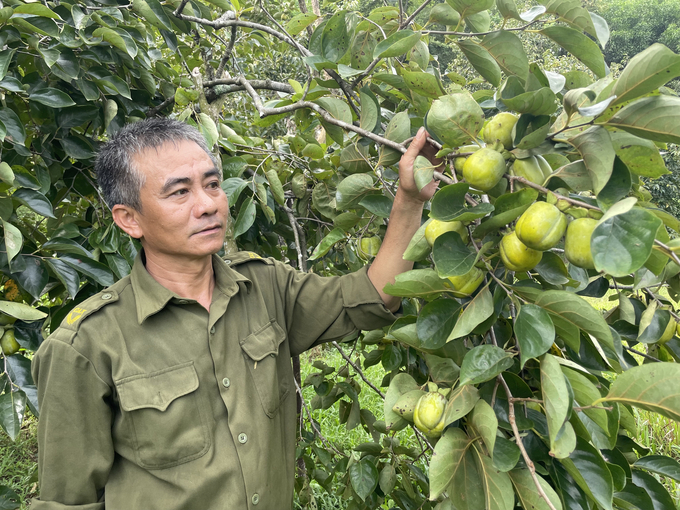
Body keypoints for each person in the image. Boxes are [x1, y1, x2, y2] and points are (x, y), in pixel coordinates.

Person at [31, 117, 440, 509]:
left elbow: (375, 295)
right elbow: (67, 500)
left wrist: (408, 199)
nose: (208, 204)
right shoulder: (86, 345)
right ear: (129, 219)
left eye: (212, 184)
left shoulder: (265, 287)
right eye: (180, 193)